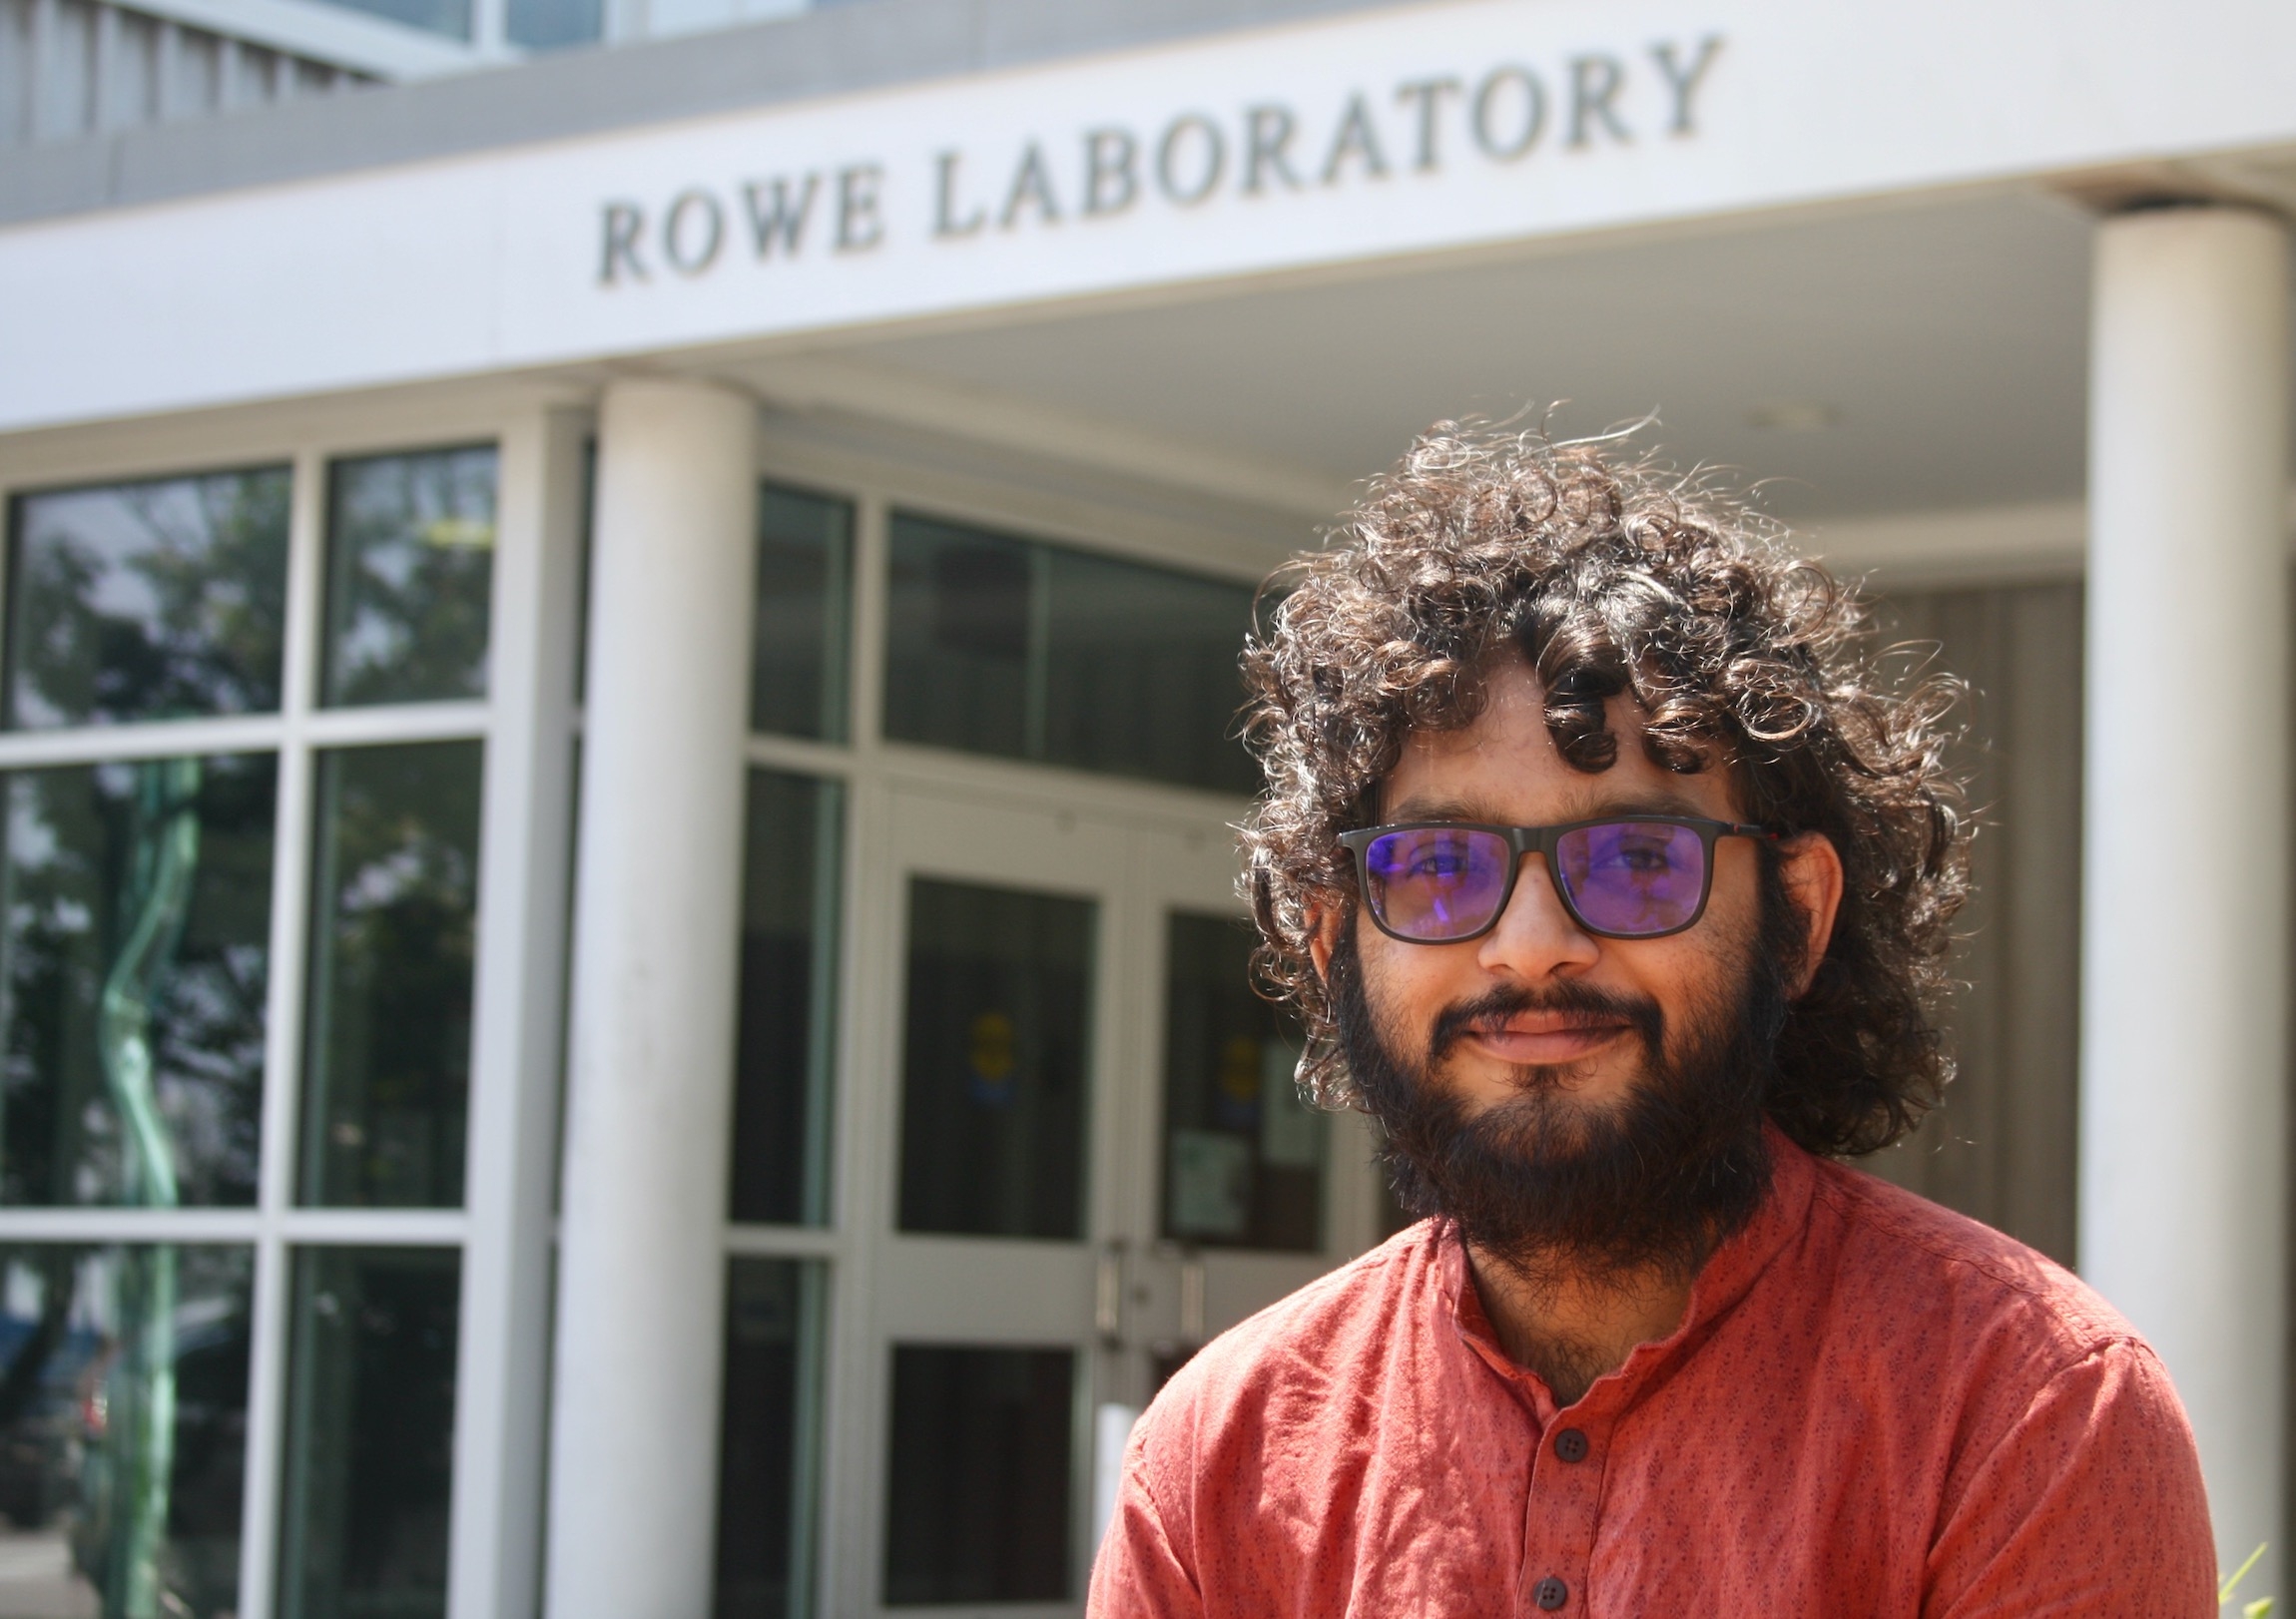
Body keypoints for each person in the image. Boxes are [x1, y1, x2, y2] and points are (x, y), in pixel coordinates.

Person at [1088, 426, 2217, 1615]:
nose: (1529, 944)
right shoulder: (1217, 1461)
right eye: (1438, 864)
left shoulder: (2026, 1410)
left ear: (1795, 914)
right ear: (1335, 944)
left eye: (1633, 857)